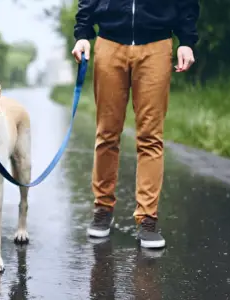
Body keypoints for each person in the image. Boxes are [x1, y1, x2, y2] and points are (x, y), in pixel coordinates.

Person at [71, 0, 199, 248]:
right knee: (107, 134)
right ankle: (103, 209)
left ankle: (148, 218)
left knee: (151, 136)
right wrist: (83, 34)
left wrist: (186, 40)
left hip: (157, 44)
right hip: (109, 43)